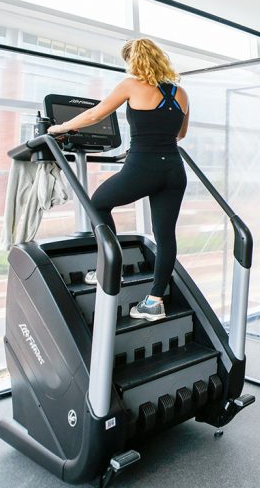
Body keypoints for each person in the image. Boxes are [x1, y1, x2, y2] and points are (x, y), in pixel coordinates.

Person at [48, 38, 189, 322]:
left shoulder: (131, 85)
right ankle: (154, 301)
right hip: (174, 169)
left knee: (97, 204)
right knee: (165, 236)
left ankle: (111, 267)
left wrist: (59, 127)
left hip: (144, 166)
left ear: (133, 61)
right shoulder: (181, 93)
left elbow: (94, 114)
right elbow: (180, 134)